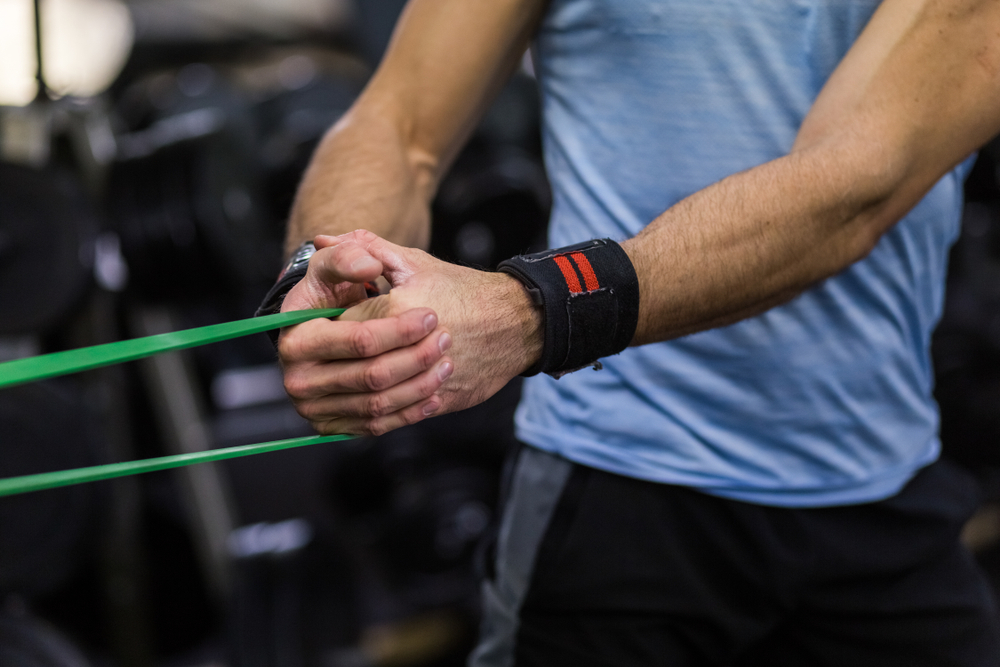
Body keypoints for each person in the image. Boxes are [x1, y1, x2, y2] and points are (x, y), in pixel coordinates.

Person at [259, 0, 1000, 664]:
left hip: (878, 490)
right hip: (612, 483)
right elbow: (400, 120)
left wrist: (533, 310)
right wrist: (330, 264)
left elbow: (857, 182)